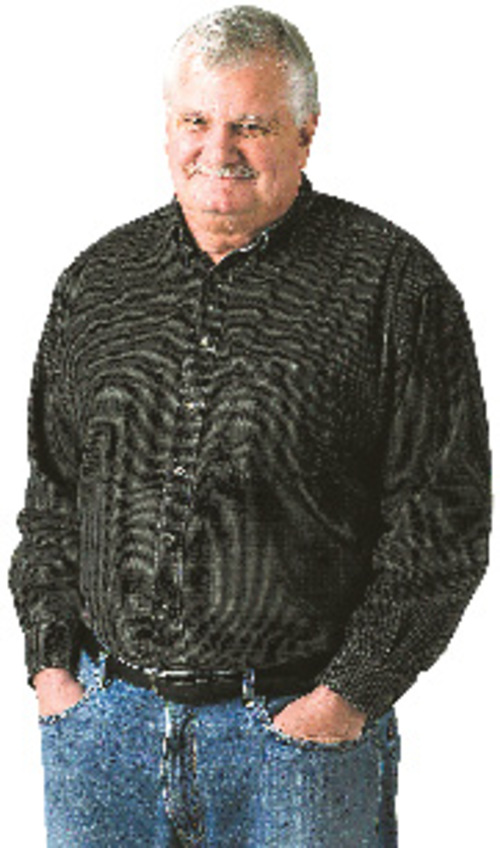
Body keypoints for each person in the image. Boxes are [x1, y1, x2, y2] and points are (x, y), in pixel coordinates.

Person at [9, 6, 490, 847]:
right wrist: (54, 670)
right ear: (167, 128)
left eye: (252, 125)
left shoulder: (393, 289)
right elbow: (53, 498)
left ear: (306, 133)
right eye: (196, 120)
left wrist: (344, 699)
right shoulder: (98, 285)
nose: (218, 149)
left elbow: (442, 521)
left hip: (294, 745)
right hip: (104, 738)